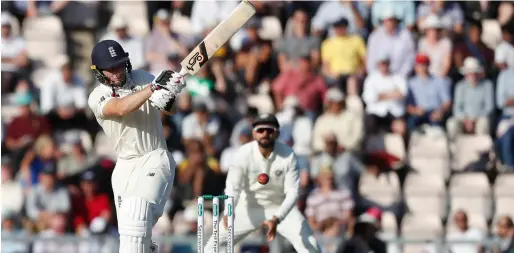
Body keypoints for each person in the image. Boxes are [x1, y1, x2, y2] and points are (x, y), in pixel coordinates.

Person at [87, 39, 186, 252]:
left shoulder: (142, 78)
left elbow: (171, 109)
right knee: (131, 238)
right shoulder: (96, 96)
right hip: (124, 167)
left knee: (137, 212)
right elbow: (121, 108)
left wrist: (169, 95)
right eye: (110, 68)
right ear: (98, 71)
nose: (116, 72)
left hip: (154, 157)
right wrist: (153, 88)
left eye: (119, 65)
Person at [204, 113, 321, 252]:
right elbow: (233, 187)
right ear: (254, 133)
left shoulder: (288, 155)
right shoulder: (243, 154)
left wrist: (277, 218)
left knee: (310, 245)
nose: (265, 134)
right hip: (248, 207)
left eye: (269, 130)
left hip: (279, 207)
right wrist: (230, 211)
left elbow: (292, 193)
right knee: (213, 245)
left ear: (277, 133)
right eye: (260, 130)